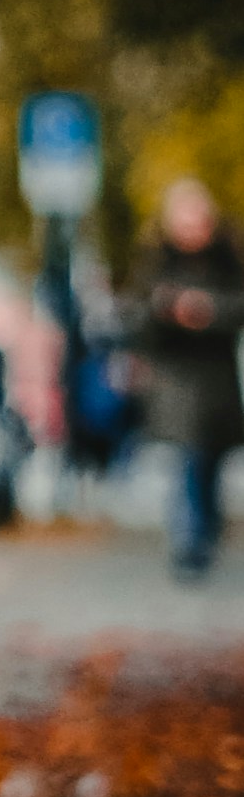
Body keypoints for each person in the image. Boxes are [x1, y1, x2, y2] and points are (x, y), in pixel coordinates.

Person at [130, 175, 244, 575]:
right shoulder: (156, 262)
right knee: (187, 460)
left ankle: (205, 529)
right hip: (175, 383)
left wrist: (209, 311)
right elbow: (139, 317)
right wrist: (169, 309)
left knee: (210, 460)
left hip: (217, 382)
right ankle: (190, 541)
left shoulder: (228, 260)